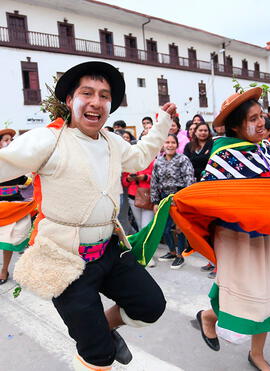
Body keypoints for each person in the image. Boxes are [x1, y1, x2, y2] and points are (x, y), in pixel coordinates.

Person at [0, 61, 173, 370]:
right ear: (69, 100)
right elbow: (4, 162)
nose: (96, 102)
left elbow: (141, 157)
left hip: (108, 250)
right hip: (64, 260)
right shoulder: (47, 139)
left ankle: (104, 329)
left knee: (150, 306)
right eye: (87, 93)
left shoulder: (113, 141)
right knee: (98, 355)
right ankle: (99, 344)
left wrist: (161, 125)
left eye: (104, 96)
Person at [191, 88, 270, 371]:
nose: (261, 124)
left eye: (262, 117)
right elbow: (208, 199)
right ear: (235, 126)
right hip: (240, 238)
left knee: (268, 293)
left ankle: (256, 354)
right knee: (249, 292)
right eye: (253, 119)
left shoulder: (267, 149)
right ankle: (209, 316)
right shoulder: (222, 155)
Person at [151, 134, 195, 269]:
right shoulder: (158, 161)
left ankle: (180, 255)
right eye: (167, 142)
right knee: (164, 228)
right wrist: (155, 202)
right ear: (163, 145)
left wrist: (183, 201)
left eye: (173, 142)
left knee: (178, 228)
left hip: (179, 196)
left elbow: (189, 180)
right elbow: (154, 182)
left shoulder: (183, 159)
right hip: (164, 198)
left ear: (177, 145)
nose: (170, 145)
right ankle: (171, 251)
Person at [0, 128, 34, 285]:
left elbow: (26, 181)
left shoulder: (15, 164)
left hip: (14, 207)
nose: (9, 143)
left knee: (9, 240)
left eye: (10, 140)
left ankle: (4, 270)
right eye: (6, 140)